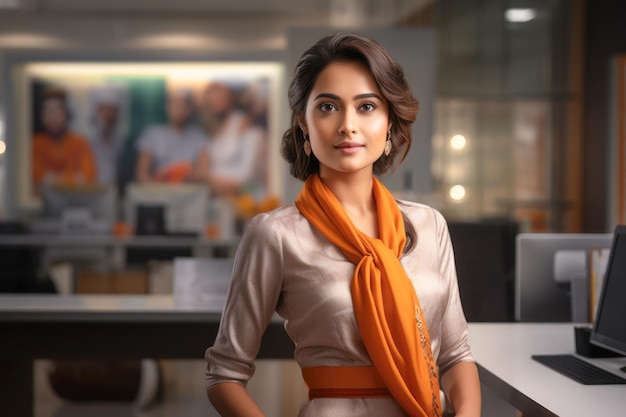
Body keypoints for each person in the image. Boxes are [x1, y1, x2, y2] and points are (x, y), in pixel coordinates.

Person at [205, 33, 481, 417]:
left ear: (389, 122)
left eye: (367, 106)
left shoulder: (428, 224)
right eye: (328, 107)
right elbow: (224, 374)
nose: (348, 125)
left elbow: (455, 355)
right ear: (303, 122)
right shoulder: (276, 234)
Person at [192, 82, 266, 197]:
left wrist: (206, 177)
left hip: (244, 197)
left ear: (229, 99)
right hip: (216, 195)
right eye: (211, 100)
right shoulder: (210, 131)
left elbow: (246, 176)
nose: (215, 103)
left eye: (220, 98)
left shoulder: (243, 124)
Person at [31, 87, 96, 194]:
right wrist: (73, 178)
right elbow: (37, 178)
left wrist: (51, 179)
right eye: (48, 112)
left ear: (67, 114)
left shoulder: (80, 142)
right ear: (42, 116)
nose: (53, 117)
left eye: (57, 111)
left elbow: (88, 176)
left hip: (76, 201)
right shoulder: (35, 144)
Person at [134, 88, 206, 183]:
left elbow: (202, 173)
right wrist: (158, 185)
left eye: (181, 104)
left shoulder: (198, 136)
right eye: (173, 103)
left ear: (189, 110)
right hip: (157, 191)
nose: (176, 108)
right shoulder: (152, 134)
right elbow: (142, 174)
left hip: (188, 192)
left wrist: (182, 174)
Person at [87, 86, 126, 185]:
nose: (109, 114)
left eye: (112, 110)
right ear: (96, 111)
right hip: (88, 189)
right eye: (104, 109)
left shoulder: (120, 139)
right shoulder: (85, 138)